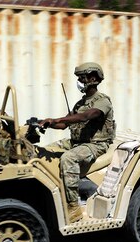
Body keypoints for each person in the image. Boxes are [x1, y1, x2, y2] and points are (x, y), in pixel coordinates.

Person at [40, 62, 115, 223]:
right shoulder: (80, 103)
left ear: (93, 78)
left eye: (82, 77)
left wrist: (58, 119)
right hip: (76, 141)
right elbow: (64, 124)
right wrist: (48, 122)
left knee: (69, 158)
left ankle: (73, 206)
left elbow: (87, 116)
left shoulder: (103, 101)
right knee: (46, 151)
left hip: (95, 144)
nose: (79, 81)